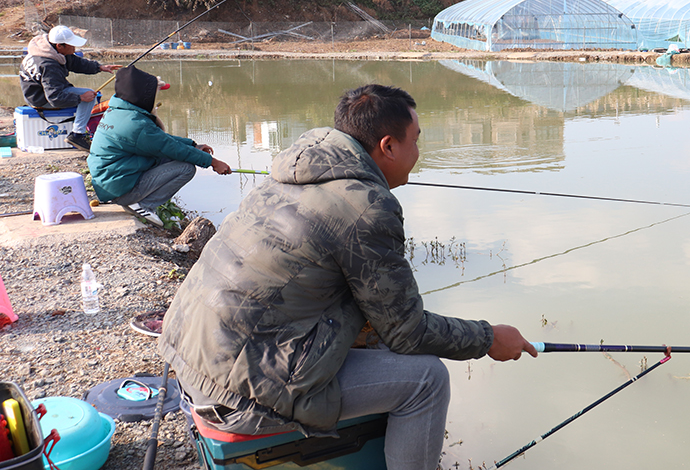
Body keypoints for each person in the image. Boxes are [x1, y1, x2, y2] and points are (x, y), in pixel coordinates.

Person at [158, 84, 536, 470]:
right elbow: (409, 332)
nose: (419, 154)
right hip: (237, 395)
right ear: (388, 146)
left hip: (189, 361)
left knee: (379, 343)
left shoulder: (293, 171)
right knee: (427, 379)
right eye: (416, 141)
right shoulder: (368, 207)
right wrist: (489, 337)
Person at [87, 66, 232, 227]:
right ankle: (143, 205)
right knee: (186, 168)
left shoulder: (120, 112)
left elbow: (161, 140)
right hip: (119, 190)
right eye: (154, 95)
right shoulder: (136, 125)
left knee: (168, 156)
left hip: (112, 182)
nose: (156, 100)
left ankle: (136, 201)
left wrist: (193, 145)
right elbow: (171, 148)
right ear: (143, 96)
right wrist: (212, 161)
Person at [19, 25, 121, 152]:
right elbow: (54, 98)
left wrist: (100, 67)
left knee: (86, 94)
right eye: (71, 45)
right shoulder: (49, 65)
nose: (74, 48)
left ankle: (78, 132)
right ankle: (77, 135)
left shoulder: (48, 49)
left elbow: (76, 63)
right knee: (88, 95)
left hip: (45, 91)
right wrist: (80, 98)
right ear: (59, 46)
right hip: (40, 98)